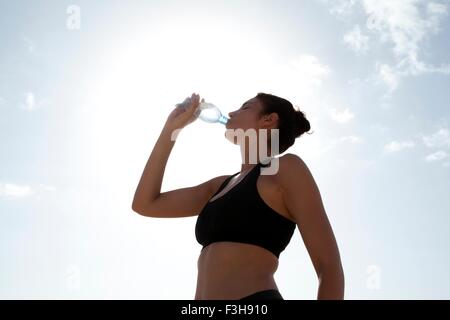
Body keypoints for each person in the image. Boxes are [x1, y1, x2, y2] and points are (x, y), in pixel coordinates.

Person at [132, 92, 345, 300]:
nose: (232, 112)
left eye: (245, 107)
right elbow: (145, 203)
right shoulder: (219, 185)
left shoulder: (286, 169)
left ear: (269, 120)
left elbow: (329, 267)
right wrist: (172, 129)